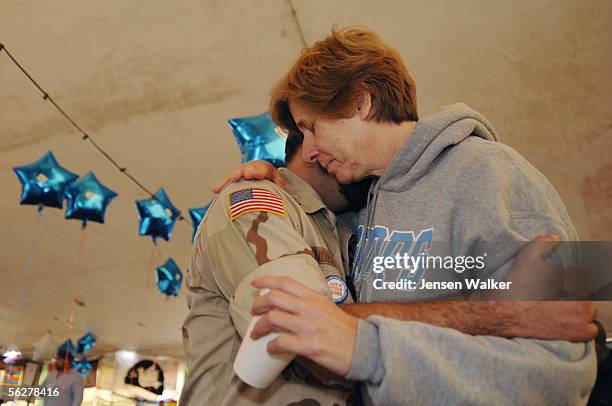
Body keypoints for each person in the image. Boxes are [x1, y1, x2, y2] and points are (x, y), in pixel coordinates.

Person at [217, 27, 598, 405]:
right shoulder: (359, 209)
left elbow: (558, 373)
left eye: (311, 128)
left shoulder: (492, 175)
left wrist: (373, 350)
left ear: (360, 102)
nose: (311, 150)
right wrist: (278, 181)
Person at [185, 131, 595, 405]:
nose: (383, 172)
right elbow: (300, 337)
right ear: (315, 148)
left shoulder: (348, 228)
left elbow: (581, 314)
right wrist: (502, 314)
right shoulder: (259, 201)